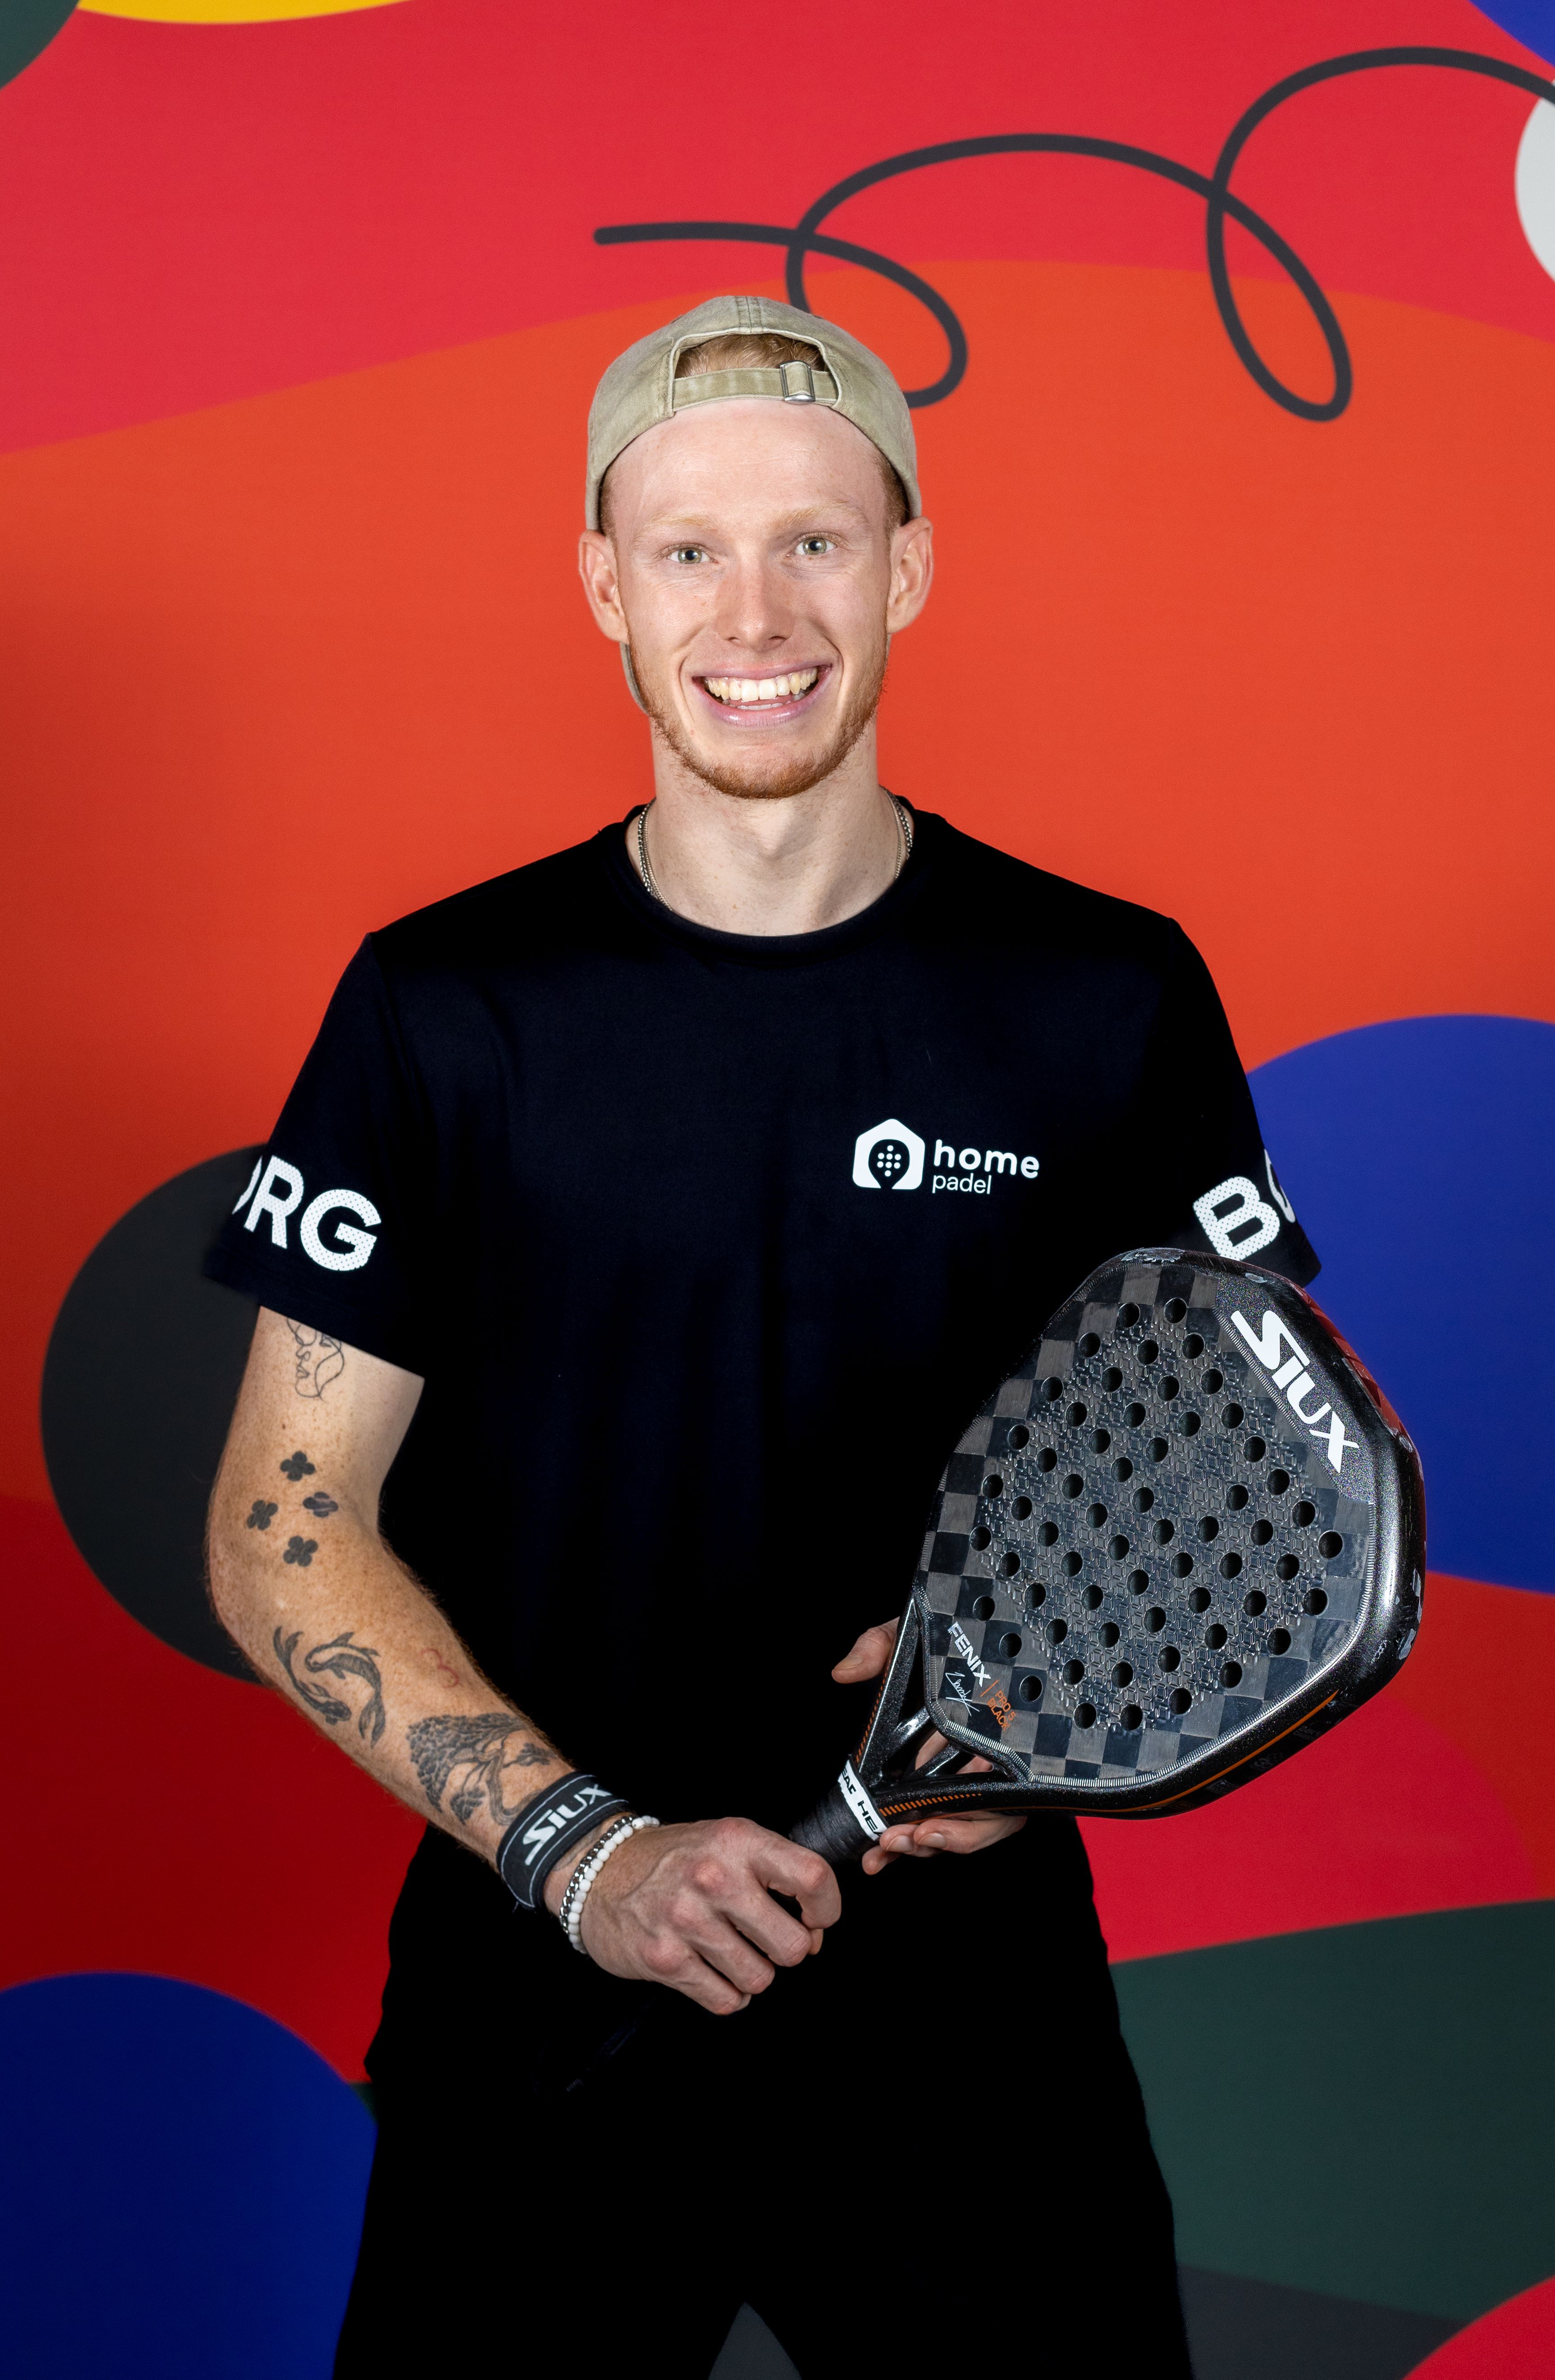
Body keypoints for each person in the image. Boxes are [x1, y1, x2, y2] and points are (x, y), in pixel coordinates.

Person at [205, 293, 1316, 2376]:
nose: (754, 611)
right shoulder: (446, 1006)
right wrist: (586, 1853)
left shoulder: (1104, 996)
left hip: (966, 2028)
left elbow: (1263, 1475)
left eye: (814, 539)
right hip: (541, 2007)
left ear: (907, 566)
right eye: (689, 548)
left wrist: (1063, 1699)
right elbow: (283, 1522)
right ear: (602, 586)